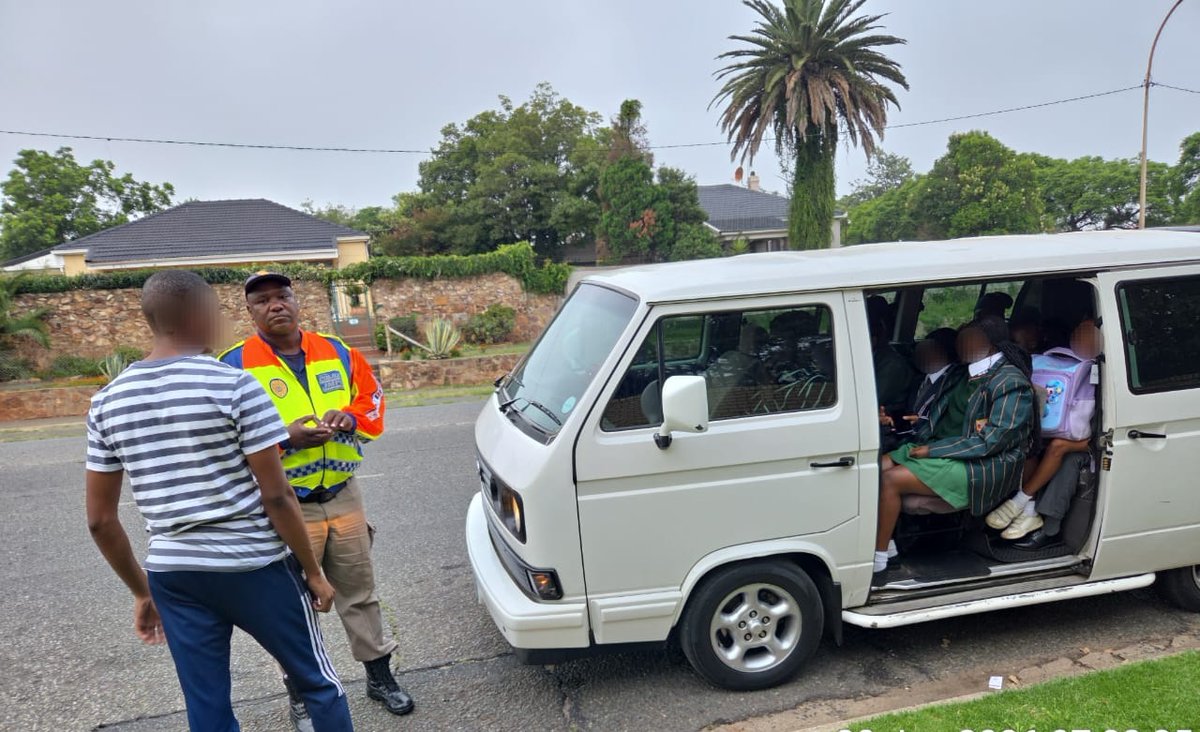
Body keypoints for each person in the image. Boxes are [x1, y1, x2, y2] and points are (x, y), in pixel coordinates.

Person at [85, 271, 353, 732]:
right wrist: (312, 571)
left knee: (206, 705)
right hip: (254, 565)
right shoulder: (234, 385)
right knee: (317, 682)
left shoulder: (106, 402)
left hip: (174, 574)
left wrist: (142, 590)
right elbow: (276, 494)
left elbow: (100, 521)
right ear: (197, 317)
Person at [219, 272, 413, 728]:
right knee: (292, 606)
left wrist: (349, 418)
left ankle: (379, 677)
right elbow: (226, 436)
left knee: (359, 592)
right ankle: (302, 693)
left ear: (296, 301)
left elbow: (373, 401)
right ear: (249, 312)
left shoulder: (338, 351)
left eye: (282, 296)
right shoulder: (232, 364)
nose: (275, 305)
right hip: (285, 505)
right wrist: (284, 440)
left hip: (343, 494)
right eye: (262, 300)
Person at [874, 317, 1038, 582]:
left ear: (990, 344)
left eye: (968, 340)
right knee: (870, 469)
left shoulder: (1010, 382)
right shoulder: (965, 373)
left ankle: (879, 562)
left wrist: (933, 450)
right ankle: (890, 547)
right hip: (944, 450)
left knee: (889, 481)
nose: (961, 346)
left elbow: (992, 440)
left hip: (980, 465)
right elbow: (951, 419)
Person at [986, 319, 1103, 541]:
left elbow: (1102, 428)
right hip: (1065, 431)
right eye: (1078, 333)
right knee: (1032, 444)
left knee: (1059, 449)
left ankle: (1036, 517)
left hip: (1095, 439)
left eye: (1088, 335)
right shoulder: (1063, 363)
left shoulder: (1103, 370)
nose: (1081, 339)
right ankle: (1027, 509)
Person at [870, 315, 916, 416]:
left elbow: (872, 400)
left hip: (889, 417)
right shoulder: (873, 358)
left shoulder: (892, 364)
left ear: (873, 340)